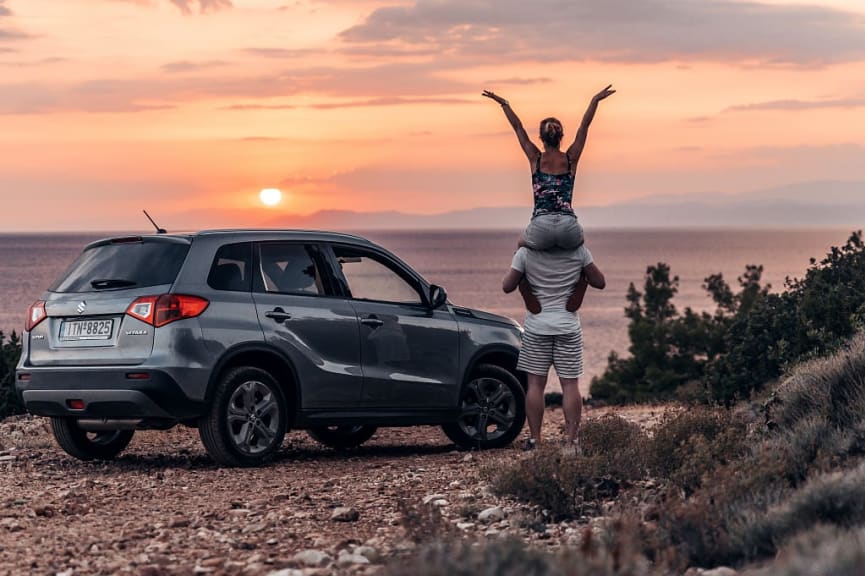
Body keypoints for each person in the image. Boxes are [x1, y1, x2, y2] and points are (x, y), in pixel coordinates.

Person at [482, 85, 615, 251]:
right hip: (568, 227)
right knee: (582, 255)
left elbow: (518, 127)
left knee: (521, 247)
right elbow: (584, 126)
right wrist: (595, 100)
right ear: (561, 137)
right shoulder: (570, 158)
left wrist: (504, 104)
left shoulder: (535, 159)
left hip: (540, 227)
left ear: (541, 138)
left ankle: (522, 277)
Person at [502, 245, 605, 452]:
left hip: (537, 327)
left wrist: (519, 254)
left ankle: (536, 441)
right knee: (570, 385)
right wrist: (582, 275)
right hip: (568, 326)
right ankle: (572, 442)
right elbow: (600, 282)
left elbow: (507, 286)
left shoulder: (525, 253)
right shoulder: (578, 251)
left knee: (535, 385)